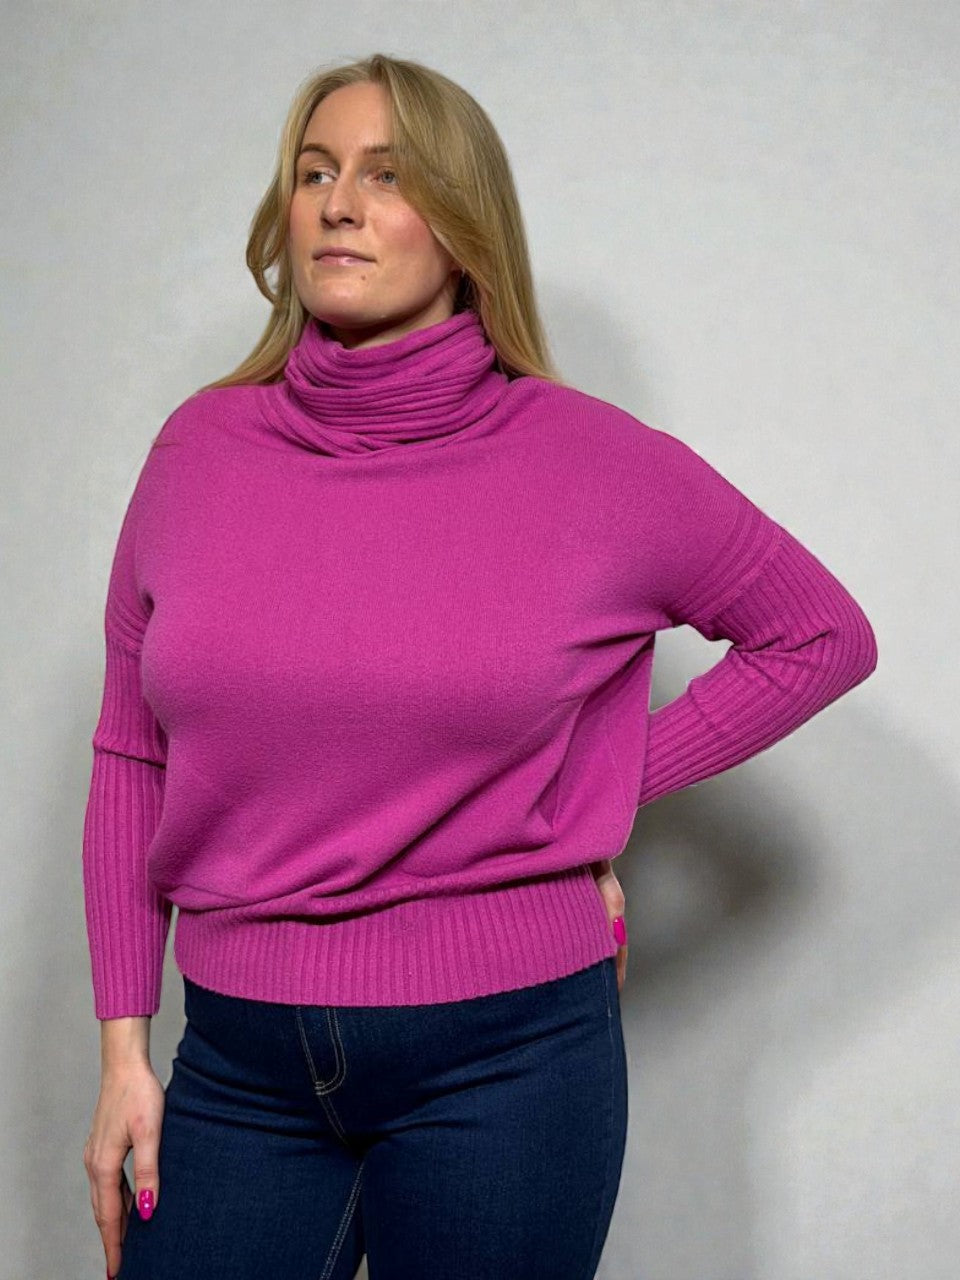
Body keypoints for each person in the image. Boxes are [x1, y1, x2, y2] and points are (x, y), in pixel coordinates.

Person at [80, 52, 878, 1280]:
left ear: (463, 225)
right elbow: (130, 749)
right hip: (237, 1064)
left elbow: (820, 634)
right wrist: (124, 1050)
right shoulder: (198, 451)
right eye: (315, 173)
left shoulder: (593, 464)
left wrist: (586, 789)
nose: (339, 205)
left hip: (507, 1063)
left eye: (387, 177)